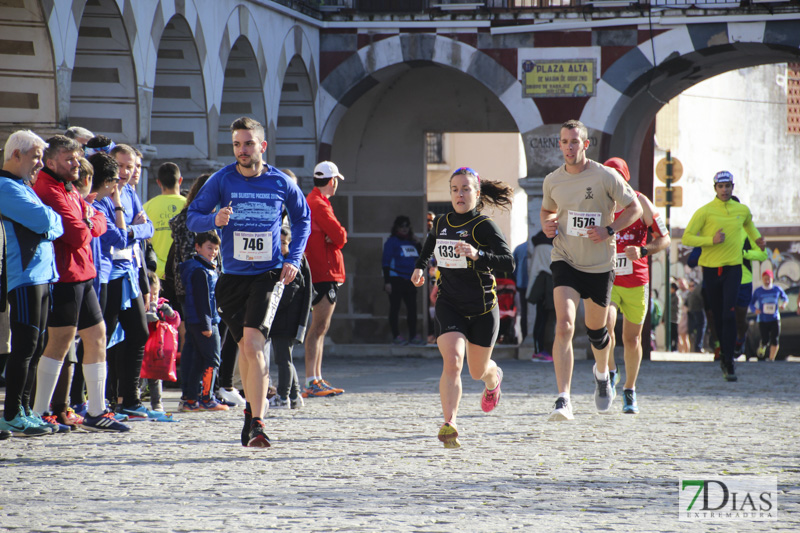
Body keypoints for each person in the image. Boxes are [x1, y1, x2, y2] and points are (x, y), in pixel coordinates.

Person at [187, 116, 310, 448]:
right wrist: (213, 218)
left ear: (262, 146)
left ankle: (257, 420)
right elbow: (192, 215)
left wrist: (293, 258)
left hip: (267, 275)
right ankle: (251, 413)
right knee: (245, 348)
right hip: (232, 280)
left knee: (254, 343)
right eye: (237, 144)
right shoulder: (222, 179)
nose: (242, 150)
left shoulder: (281, 182)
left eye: (248, 143)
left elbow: (302, 219)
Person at [540, 120, 642, 421]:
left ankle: (601, 374)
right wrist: (547, 223)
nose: (569, 147)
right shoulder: (552, 180)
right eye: (564, 142)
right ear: (559, 145)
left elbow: (634, 208)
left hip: (599, 265)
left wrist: (610, 228)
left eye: (574, 142)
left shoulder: (605, 176)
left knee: (597, 332)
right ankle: (563, 399)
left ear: (585, 144)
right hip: (565, 258)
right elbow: (548, 210)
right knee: (565, 326)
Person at [30, 135, 130, 432]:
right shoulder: (48, 187)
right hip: (64, 274)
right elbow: (77, 233)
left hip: (83, 272)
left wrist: (87, 218)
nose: (76, 164)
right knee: (59, 342)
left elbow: (97, 221)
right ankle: (39, 411)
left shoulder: (68, 185)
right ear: (51, 162)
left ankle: (96, 411)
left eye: (77, 159)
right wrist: (87, 220)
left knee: (97, 335)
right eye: (68, 160)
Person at [411, 166, 514, 449]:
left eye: (466, 189)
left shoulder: (484, 226)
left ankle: (493, 379)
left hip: (482, 307)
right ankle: (450, 423)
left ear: (477, 193)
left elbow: (509, 262)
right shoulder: (442, 222)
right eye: (455, 189)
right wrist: (420, 268)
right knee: (453, 361)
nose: (459, 194)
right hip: (449, 303)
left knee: (477, 371)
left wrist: (477, 254)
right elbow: (431, 244)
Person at [0, 130, 64, 437]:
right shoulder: (4, 186)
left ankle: (25, 408)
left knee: (36, 346)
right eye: (36, 156)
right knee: (24, 346)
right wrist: (50, 220)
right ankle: (12, 412)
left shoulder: (23, 186)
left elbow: (55, 222)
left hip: (42, 274)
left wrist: (50, 220)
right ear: (16, 155)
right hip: (23, 275)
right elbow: (44, 221)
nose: (40, 163)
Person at [601, 157, 670, 414]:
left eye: (618, 176)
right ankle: (610, 369)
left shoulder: (641, 202)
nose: (614, 181)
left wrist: (642, 250)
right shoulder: (599, 201)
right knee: (604, 327)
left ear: (625, 178)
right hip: (607, 279)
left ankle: (630, 389)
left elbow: (664, 239)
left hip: (636, 281)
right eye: (609, 176)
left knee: (632, 339)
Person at [681, 170, 765, 381]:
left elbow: (749, 226)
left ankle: (729, 360)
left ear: (732, 187)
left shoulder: (742, 210)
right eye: (721, 187)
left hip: (733, 269)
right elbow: (687, 237)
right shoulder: (705, 211)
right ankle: (723, 354)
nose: (725, 190)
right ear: (715, 188)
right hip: (711, 270)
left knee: (729, 314)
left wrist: (758, 239)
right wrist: (711, 239)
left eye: (728, 186)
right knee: (718, 317)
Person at [104, 143, 155, 416]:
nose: (125, 172)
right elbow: (116, 236)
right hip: (108, 273)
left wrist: (134, 228)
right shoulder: (103, 195)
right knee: (105, 337)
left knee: (139, 332)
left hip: (129, 272)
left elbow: (148, 229)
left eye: (130, 166)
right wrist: (134, 228)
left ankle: (130, 398)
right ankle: (102, 399)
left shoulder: (132, 193)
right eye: (120, 165)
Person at [303, 161, 347, 398]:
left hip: (323, 271)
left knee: (320, 327)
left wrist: (335, 237)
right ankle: (312, 379)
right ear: (333, 181)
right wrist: (336, 237)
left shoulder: (317, 201)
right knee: (318, 327)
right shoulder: (319, 203)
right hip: (324, 272)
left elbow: (336, 236)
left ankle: (316, 377)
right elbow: (340, 234)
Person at [179, 231, 227, 411]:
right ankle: (207, 397)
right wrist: (208, 325)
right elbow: (203, 300)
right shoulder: (201, 271)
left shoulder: (202, 267)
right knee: (213, 359)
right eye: (209, 248)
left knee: (196, 360)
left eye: (216, 249)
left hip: (195, 320)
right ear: (197, 247)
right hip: (205, 321)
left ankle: (190, 399)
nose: (213, 252)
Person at [268, 226, 311, 410]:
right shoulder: (288, 259)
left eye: (284, 243)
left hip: (285, 318)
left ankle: (283, 396)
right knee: (286, 357)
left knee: (282, 358)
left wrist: (270, 306)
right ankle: (295, 396)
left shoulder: (292, 262)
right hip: (286, 318)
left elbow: (289, 291)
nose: (281, 246)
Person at [382, 215, 422, 345]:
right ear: (396, 227)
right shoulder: (391, 242)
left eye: (406, 226)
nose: (404, 229)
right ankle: (396, 336)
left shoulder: (411, 242)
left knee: (412, 309)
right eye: (401, 226)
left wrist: (418, 243)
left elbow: (421, 258)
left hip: (410, 279)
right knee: (395, 308)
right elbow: (386, 263)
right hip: (396, 279)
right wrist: (387, 282)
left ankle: (413, 336)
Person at [144, 271, 181, 412]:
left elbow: (174, 323)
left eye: (156, 294)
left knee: (156, 377)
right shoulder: (140, 306)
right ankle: (135, 399)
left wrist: (171, 314)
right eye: (150, 294)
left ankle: (157, 403)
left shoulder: (161, 305)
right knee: (138, 378)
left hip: (156, 349)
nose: (153, 298)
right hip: (143, 347)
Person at [143, 162, 186, 283]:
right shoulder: (189, 206)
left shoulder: (146, 207)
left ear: (158, 182)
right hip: (183, 271)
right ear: (180, 180)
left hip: (157, 273)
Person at [527, 231, 555, 361]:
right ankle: (542, 351)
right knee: (548, 321)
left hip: (539, 285)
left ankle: (539, 350)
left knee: (541, 319)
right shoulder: (552, 246)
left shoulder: (538, 245)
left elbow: (533, 270)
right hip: (549, 285)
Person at [749, 270, 788, 361]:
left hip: (775, 318)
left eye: (769, 279)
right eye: (765, 279)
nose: (767, 281)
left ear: (772, 279)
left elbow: (785, 298)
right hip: (763, 319)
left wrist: (783, 305)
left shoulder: (777, 289)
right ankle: (762, 346)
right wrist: (755, 310)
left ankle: (771, 358)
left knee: (775, 339)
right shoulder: (758, 291)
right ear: (762, 279)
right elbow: (751, 303)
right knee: (765, 339)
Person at [513, 240, 529, 340]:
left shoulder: (519, 248)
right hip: (534, 284)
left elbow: (513, 268)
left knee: (524, 312)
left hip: (522, 284)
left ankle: (525, 337)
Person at [668, 282, 682, 352]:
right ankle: (670, 347)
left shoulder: (677, 297)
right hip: (669, 318)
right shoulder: (670, 296)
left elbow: (677, 307)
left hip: (674, 319)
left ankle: (675, 348)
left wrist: (669, 306)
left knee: (675, 334)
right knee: (670, 334)